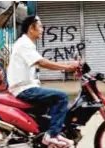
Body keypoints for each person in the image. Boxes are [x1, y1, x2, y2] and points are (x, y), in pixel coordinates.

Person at [7, 15, 79, 147]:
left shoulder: (26, 43)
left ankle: (45, 133)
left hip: (26, 86)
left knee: (51, 102)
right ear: (31, 29)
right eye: (40, 26)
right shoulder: (24, 45)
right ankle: (51, 135)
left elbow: (41, 62)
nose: (43, 29)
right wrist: (67, 67)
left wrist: (69, 64)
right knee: (61, 97)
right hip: (24, 89)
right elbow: (42, 62)